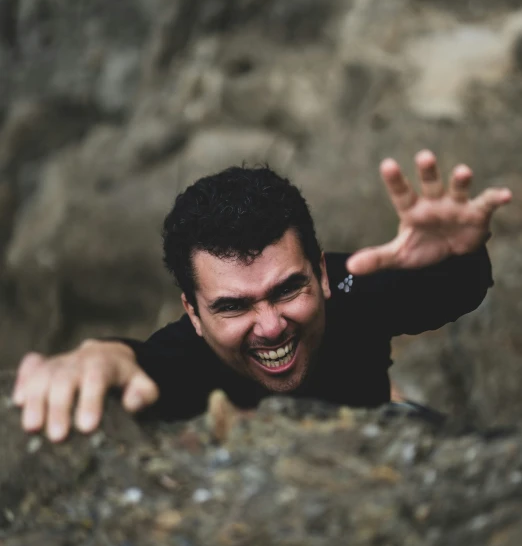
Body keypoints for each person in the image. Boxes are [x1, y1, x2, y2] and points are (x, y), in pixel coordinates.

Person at [12, 150, 512, 442]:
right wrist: (93, 357)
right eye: (233, 305)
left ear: (318, 271)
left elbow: (454, 292)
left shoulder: (347, 288)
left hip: (382, 429)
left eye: (288, 289)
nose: (271, 326)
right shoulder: (188, 354)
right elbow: (136, 363)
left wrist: (458, 254)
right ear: (193, 310)